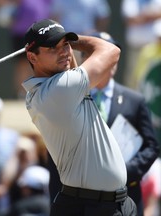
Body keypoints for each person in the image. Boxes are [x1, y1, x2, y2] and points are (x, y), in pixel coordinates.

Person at [22, 19, 137, 215]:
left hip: (113, 203)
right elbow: (111, 51)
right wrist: (76, 40)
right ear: (32, 57)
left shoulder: (58, 86)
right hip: (88, 206)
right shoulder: (59, 90)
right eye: (53, 47)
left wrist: (63, 41)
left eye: (65, 45)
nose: (64, 52)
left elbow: (71, 67)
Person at [48, 31, 160, 216]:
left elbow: (151, 147)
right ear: (85, 59)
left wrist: (123, 173)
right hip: (79, 202)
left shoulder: (134, 100)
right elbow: (55, 151)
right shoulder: (69, 98)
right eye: (98, 54)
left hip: (125, 198)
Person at [121, 0, 161, 88]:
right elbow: (131, 19)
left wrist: (143, 16)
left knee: (154, 77)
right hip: (136, 47)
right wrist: (153, 15)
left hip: (155, 48)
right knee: (133, 78)